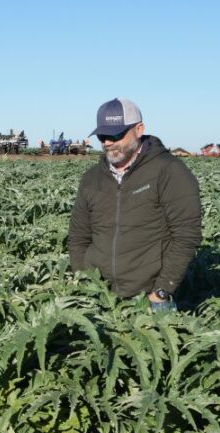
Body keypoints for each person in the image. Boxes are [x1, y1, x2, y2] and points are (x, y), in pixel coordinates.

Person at [67, 98, 201, 310]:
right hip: (97, 296)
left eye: (116, 134)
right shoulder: (92, 178)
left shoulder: (169, 171)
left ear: (139, 129)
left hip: (149, 300)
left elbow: (186, 235)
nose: (108, 142)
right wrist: (83, 281)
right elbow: (78, 236)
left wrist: (162, 290)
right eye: (103, 136)